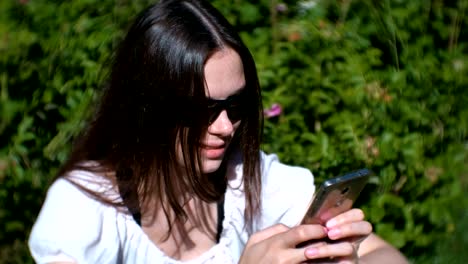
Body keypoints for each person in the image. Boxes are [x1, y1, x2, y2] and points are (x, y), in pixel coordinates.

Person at [28, 0, 408, 263]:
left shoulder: (244, 179)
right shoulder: (84, 205)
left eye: (236, 105)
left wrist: (349, 258)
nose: (226, 127)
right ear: (147, 105)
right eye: (202, 110)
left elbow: (388, 255)